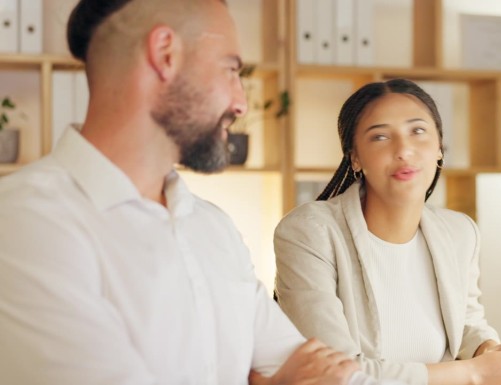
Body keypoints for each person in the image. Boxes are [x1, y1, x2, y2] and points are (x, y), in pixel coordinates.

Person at [0, 1, 405, 384]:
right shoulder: (26, 222)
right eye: (231, 70)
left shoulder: (213, 227)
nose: (241, 103)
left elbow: (328, 372)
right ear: (165, 54)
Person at [274, 79, 501, 385]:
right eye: (380, 136)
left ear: (439, 147)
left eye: (418, 131)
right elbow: (333, 374)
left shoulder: (460, 232)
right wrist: (474, 373)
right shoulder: (309, 233)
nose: (404, 149)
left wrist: (497, 352)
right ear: (355, 157)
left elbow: (465, 324)